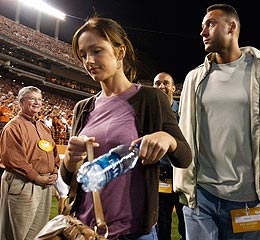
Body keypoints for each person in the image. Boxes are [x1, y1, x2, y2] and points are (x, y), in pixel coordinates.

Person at [173, 4, 260, 240]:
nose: (203, 32)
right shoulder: (193, 78)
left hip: (248, 198)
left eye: (210, 24)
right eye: (202, 27)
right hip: (200, 196)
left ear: (231, 27)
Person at [59, 17, 192, 240]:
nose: (89, 60)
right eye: (83, 55)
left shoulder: (150, 99)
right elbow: (68, 177)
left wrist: (167, 139)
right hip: (84, 231)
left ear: (120, 53)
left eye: (97, 51)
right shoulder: (83, 108)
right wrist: (70, 160)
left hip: (133, 233)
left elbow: (185, 157)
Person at [0, 86, 60, 240]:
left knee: (38, 233)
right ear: (21, 102)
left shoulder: (43, 127)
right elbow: (13, 159)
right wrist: (37, 177)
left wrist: (54, 172)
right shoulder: (13, 126)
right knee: (17, 233)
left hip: (45, 185)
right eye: (32, 98)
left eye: (39, 99)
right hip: (24, 183)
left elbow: (54, 153)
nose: (37, 102)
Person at [153, 72, 186, 240]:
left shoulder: (184, 110)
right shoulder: (149, 112)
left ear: (174, 87)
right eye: (157, 83)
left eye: (165, 83)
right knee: (162, 225)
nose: (161, 86)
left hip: (183, 176)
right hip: (160, 178)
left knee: (186, 224)